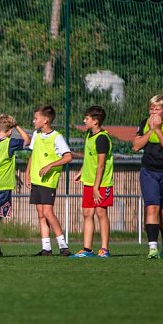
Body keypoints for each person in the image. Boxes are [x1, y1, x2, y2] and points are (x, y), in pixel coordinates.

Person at [133, 95, 163, 259]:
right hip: (149, 171)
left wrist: (159, 130)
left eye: (157, 109)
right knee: (151, 207)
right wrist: (151, 130)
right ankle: (152, 248)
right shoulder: (144, 123)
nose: (153, 112)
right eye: (151, 108)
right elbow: (136, 146)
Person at [25, 104, 72, 256]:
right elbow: (33, 155)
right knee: (40, 213)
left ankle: (63, 246)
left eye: (36, 118)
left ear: (45, 120)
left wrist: (50, 165)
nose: (33, 121)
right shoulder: (36, 135)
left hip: (48, 181)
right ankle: (46, 248)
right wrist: (27, 173)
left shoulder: (57, 137)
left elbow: (68, 157)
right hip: (37, 180)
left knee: (48, 212)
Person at [0, 113, 30, 257]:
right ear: (10, 130)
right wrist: (17, 126)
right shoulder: (10, 143)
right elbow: (27, 140)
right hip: (2, 185)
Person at [71, 106, 113, 258]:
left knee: (101, 212)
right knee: (87, 213)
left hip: (101, 183)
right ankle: (87, 249)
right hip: (89, 182)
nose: (84, 121)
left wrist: (96, 188)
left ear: (95, 121)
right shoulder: (89, 134)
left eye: (87, 118)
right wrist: (82, 172)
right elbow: (90, 157)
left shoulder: (102, 138)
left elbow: (101, 165)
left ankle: (104, 249)